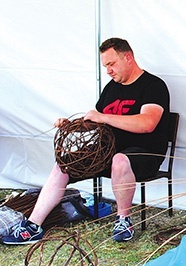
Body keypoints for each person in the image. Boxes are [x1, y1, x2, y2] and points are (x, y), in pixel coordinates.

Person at [2, 37, 170, 245]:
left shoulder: (153, 86)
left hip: (145, 153)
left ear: (127, 58)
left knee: (120, 160)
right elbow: (97, 122)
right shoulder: (111, 88)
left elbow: (148, 123)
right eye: (105, 66)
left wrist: (104, 118)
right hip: (107, 152)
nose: (108, 70)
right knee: (64, 164)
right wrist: (72, 124)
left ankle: (123, 220)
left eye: (111, 64)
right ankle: (33, 226)